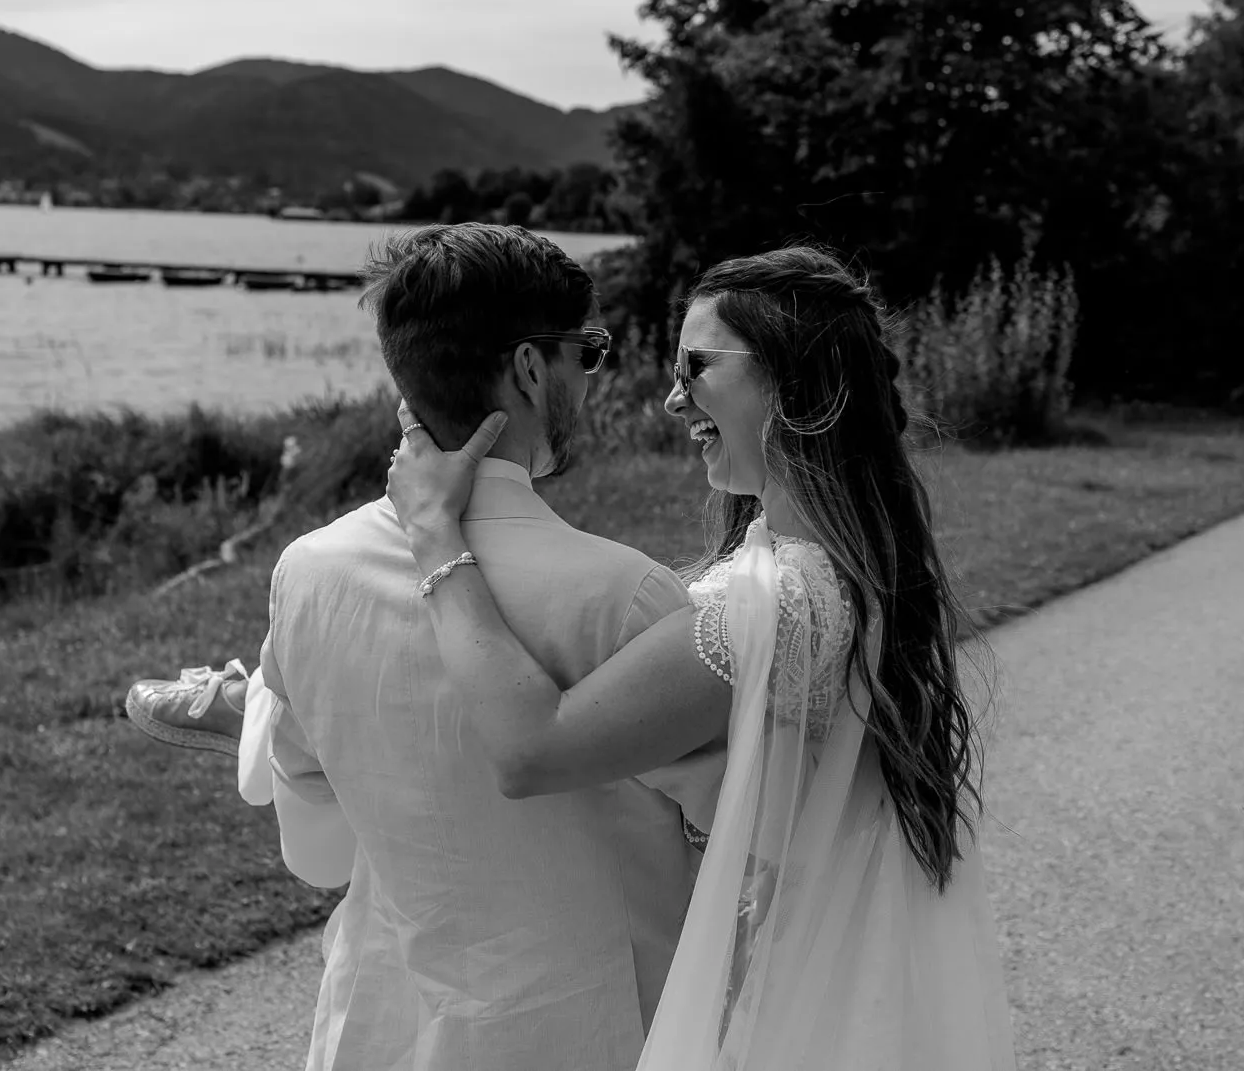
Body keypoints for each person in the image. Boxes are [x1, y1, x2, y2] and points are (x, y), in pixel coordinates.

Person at [382, 245, 1017, 1069]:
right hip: (808, 965)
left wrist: (434, 536)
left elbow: (532, 748)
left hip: (776, 992)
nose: (675, 397)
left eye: (697, 367)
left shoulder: (779, 602)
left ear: (792, 381)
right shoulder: (831, 565)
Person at [126, 222, 726, 1071]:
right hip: (595, 1033)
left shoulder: (308, 571)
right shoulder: (626, 598)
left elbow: (320, 852)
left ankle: (250, 706)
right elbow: (735, 835)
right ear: (527, 367)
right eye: (586, 351)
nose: (591, 376)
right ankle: (248, 707)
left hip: (382, 1022)